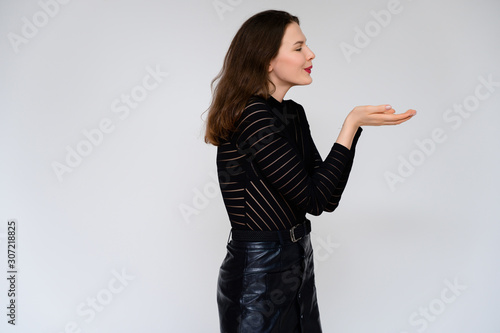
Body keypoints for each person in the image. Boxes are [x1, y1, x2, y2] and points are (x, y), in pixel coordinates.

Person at [204, 9, 416, 333]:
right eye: (299, 47)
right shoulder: (252, 117)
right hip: (258, 276)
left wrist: (353, 129)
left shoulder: (292, 113)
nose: (311, 54)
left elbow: (325, 198)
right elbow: (313, 200)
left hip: (298, 260)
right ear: (267, 60)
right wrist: (351, 124)